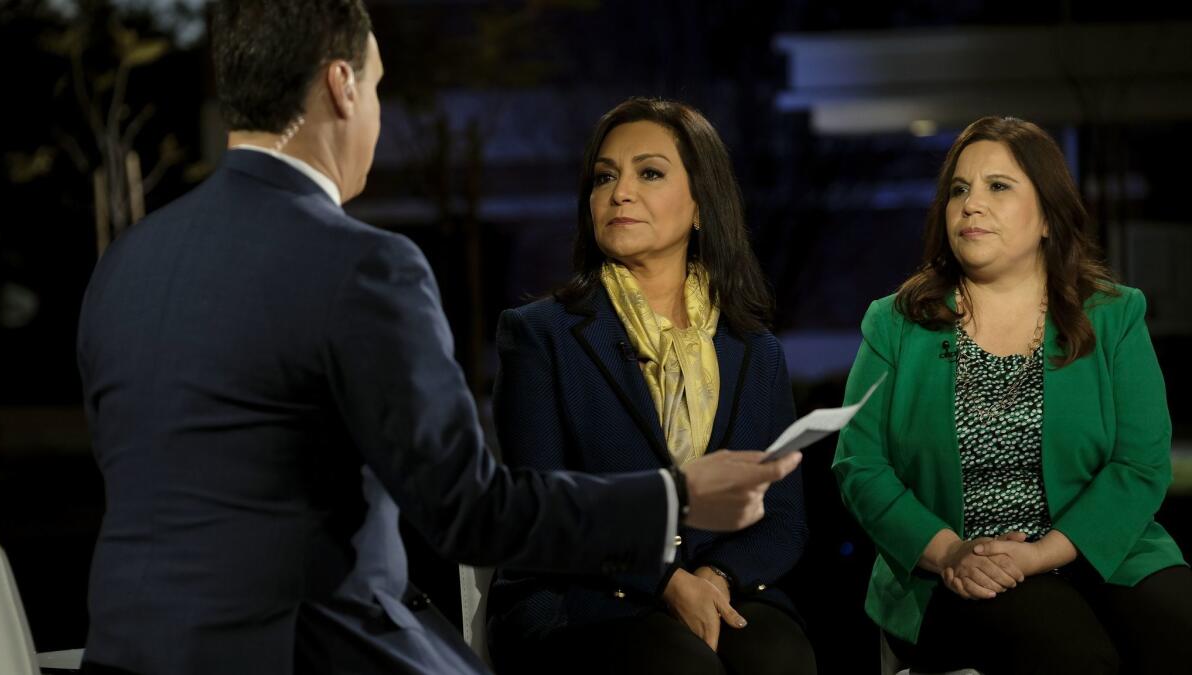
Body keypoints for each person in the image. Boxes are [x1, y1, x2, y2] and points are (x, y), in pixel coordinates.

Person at [74, 4, 804, 674]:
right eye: (380, 87)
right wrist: (675, 498)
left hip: (126, 652)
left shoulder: (124, 264)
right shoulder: (367, 266)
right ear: (341, 86)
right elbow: (468, 511)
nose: (379, 115)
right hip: (307, 647)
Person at [833, 115, 1192, 675]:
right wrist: (949, 551)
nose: (971, 204)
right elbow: (861, 465)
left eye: (998, 186)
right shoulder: (895, 322)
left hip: (1103, 551)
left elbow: (1140, 464)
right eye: (959, 190)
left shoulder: (1115, 314)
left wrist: (1045, 554)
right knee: (1079, 660)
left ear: (1048, 215)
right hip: (964, 567)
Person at [486, 98, 816, 675]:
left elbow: (784, 518)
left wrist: (714, 577)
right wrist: (664, 581)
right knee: (679, 666)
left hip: (723, 585)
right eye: (605, 177)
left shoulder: (756, 351)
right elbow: (542, 505)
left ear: (700, 205)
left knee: (779, 658)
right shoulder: (540, 337)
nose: (620, 192)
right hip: (582, 599)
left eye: (650, 173)